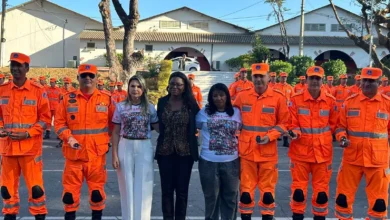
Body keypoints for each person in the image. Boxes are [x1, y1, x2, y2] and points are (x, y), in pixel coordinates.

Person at [55, 64, 115, 220]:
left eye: (91, 75)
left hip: (96, 156)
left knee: (97, 194)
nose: (87, 78)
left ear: (96, 79)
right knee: (69, 195)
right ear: (78, 78)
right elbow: (59, 124)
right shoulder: (67, 99)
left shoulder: (106, 99)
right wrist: (69, 137)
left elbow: (114, 124)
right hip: (73, 156)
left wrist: (105, 141)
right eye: (83, 75)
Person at [234, 63, 290, 220]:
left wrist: (271, 136)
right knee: (245, 193)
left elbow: (284, 123)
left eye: (261, 76)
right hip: (246, 153)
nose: (258, 79)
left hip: (268, 154)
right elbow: (233, 118)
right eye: (255, 76)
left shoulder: (278, 98)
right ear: (251, 77)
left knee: (267, 194)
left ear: (268, 78)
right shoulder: (242, 96)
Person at [334, 67, 390, 220]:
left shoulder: (387, 104)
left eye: (371, 81)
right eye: (364, 80)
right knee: (343, 200)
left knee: (379, 205)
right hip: (352, 159)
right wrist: (342, 138)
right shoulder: (349, 103)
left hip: (378, 162)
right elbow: (340, 127)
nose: (366, 84)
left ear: (379, 82)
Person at [0, 52, 51, 220]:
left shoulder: (37, 91)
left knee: (36, 191)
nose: (15, 69)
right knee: (7, 192)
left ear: (27, 68)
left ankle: (39, 215)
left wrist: (28, 133)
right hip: (8, 149)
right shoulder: (2, 90)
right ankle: (9, 215)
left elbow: (45, 119)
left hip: (30, 150)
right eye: (12, 65)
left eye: (19, 65)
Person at [287, 66, 338, 220]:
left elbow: (335, 125)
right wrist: (294, 132)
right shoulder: (295, 100)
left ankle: (320, 216)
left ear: (322, 81)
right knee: (298, 193)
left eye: (318, 78)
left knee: (321, 194)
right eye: (312, 78)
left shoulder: (330, 101)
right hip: (300, 154)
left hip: (323, 155)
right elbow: (291, 122)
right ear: (306, 80)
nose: (315, 81)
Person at [111, 75, 159, 220]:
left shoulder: (150, 107)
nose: (135, 89)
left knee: (144, 183)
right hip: (125, 145)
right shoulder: (120, 106)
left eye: (138, 86)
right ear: (128, 88)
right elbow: (115, 131)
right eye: (132, 86)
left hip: (144, 146)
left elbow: (158, 127)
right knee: (126, 183)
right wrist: (114, 155)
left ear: (143, 89)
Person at [155, 71, 200, 220]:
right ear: (168, 85)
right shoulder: (162, 102)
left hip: (185, 154)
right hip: (165, 152)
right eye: (172, 83)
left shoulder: (191, 104)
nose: (175, 86)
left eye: (179, 84)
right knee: (166, 191)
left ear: (184, 86)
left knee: (182, 192)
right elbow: (156, 123)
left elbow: (200, 122)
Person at [196, 83, 242, 220]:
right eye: (215, 95)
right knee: (211, 198)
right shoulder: (203, 113)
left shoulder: (236, 113)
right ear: (210, 97)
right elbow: (196, 127)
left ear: (227, 96)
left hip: (231, 162)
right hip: (208, 162)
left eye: (221, 95)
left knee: (231, 197)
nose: (218, 98)